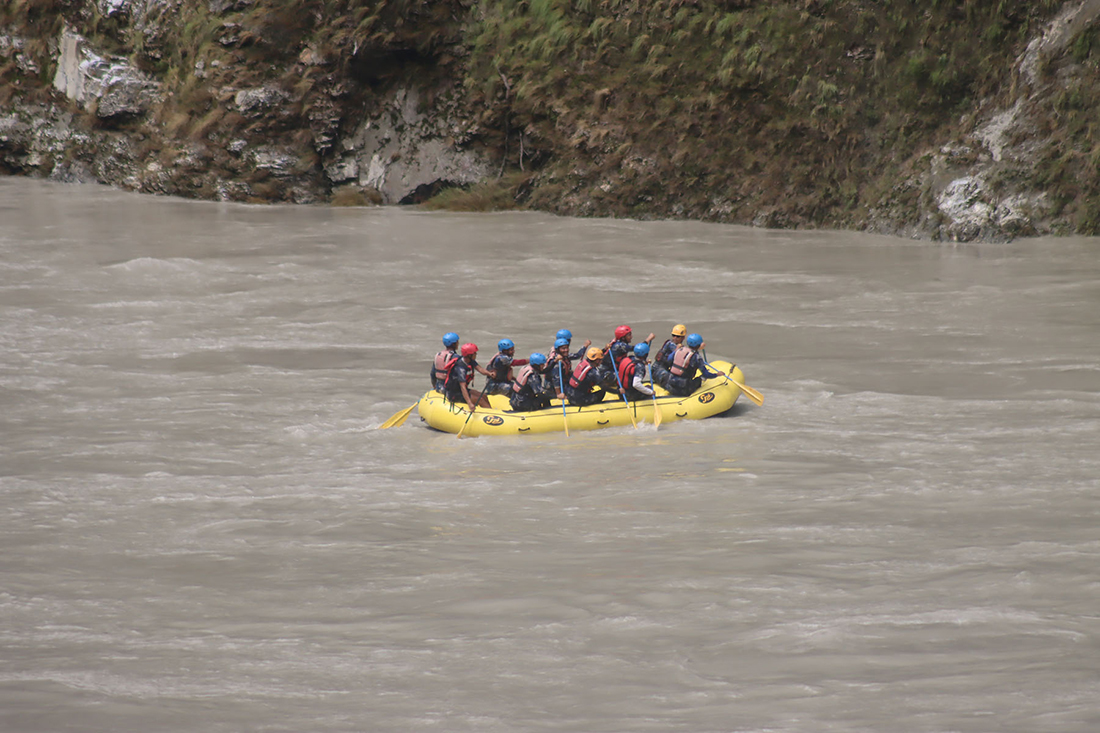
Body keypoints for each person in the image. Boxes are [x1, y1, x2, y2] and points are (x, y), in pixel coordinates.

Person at [443, 343, 491, 411]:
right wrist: (470, 403)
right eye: (475, 353)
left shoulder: (470, 361)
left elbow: (480, 369)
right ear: (469, 355)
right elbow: (463, 387)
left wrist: (490, 374)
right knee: (480, 400)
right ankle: (491, 416)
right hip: (454, 394)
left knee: (484, 396)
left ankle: (491, 411)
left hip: (460, 390)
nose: (476, 355)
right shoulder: (460, 368)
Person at [651, 324, 687, 389]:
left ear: (683, 337)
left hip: (665, 369)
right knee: (674, 384)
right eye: (673, 336)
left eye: (678, 336)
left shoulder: (678, 346)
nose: (675, 338)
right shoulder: (671, 344)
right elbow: (684, 353)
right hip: (657, 370)